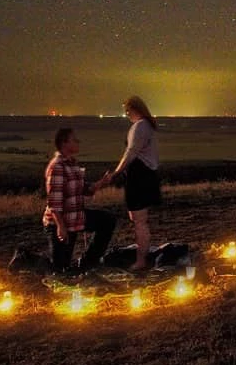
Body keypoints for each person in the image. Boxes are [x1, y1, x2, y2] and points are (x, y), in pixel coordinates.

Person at [42, 127, 116, 275]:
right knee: (60, 271)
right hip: (62, 222)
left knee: (107, 220)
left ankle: (88, 263)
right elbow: (54, 201)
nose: (78, 142)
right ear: (64, 143)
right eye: (74, 140)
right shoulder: (57, 166)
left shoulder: (72, 164)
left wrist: (101, 183)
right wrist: (60, 227)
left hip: (75, 218)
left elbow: (84, 189)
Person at [110, 95, 161, 272]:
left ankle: (141, 261)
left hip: (140, 176)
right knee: (139, 219)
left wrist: (116, 172)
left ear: (134, 109)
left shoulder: (139, 126)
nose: (126, 114)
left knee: (140, 220)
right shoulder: (147, 126)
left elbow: (131, 153)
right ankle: (142, 255)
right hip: (144, 175)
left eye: (127, 111)